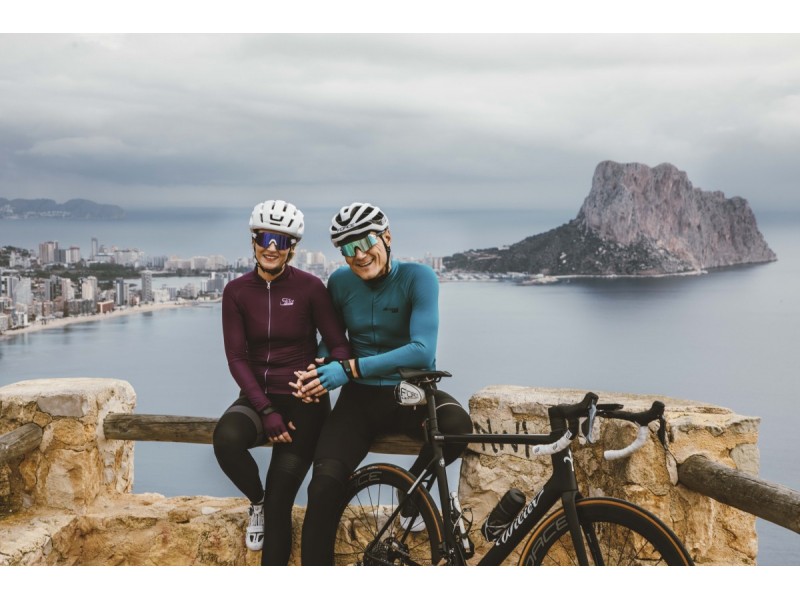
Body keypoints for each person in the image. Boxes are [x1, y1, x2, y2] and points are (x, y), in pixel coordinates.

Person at [291, 202, 473, 565]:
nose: (358, 255)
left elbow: (422, 351)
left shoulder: (419, 278)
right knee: (323, 486)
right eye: (348, 248)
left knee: (457, 428)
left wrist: (349, 369)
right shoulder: (340, 282)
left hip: (411, 393)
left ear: (386, 237)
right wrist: (317, 369)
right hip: (358, 403)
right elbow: (333, 341)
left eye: (365, 242)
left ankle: (410, 496)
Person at [212, 200, 349, 565]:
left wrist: (322, 377)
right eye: (265, 238)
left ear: (293, 247)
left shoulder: (310, 288)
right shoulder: (236, 291)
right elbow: (237, 358)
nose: (272, 247)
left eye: (282, 241)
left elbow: (339, 345)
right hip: (258, 399)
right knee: (226, 440)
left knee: (280, 504)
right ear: (253, 241)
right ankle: (255, 500)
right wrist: (266, 410)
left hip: (305, 404)